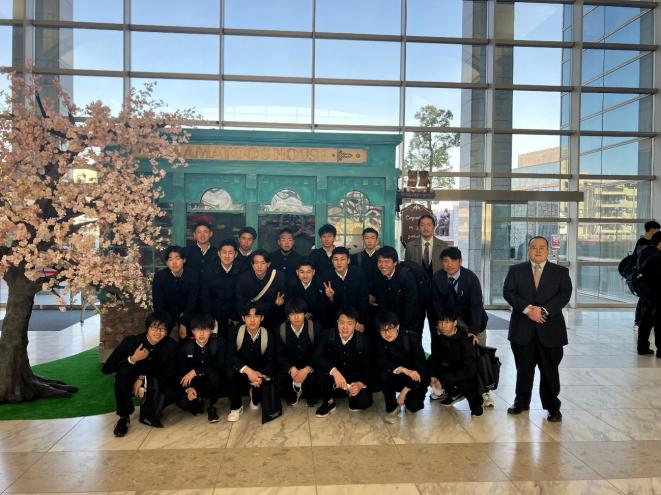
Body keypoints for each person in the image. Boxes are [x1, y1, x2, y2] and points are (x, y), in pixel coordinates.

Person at [503, 236, 572, 423]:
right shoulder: (516, 271)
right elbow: (508, 292)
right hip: (522, 330)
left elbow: (564, 295)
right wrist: (528, 310)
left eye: (542, 247)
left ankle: (552, 407)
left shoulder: (560, 272)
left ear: (548, 251)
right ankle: (521, 402)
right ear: (528, 250)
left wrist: (543, 311)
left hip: (550, 330)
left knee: (549, 371)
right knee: (523, 369)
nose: (538, 251)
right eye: (534, 247)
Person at [431, 246, 493, 406]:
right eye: (446, 261)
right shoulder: (438, 277)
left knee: (477, 356)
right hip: (451, 324)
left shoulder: (470, 278)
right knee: (451, 356)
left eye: (453, 260)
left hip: (474, 322)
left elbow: (476, 307)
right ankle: (451, 389)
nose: (449, 264)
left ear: (460, 261)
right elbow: (436, 304)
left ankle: (485, 391)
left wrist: (473, 331)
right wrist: (442, 325)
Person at [102, 312, 178, 436]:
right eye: (154, 328)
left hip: (155, 382)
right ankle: (124, 417)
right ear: (147, 327)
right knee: (123, 372)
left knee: (172, 391)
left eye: (163, 329)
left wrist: (144, 379)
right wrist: (133, 358)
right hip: (131, 382)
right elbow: (107, 368)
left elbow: (171, 373)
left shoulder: (171, 345)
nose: (158, 332)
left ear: (167, 331)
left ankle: (151, 405)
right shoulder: (132, 341)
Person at [313, 307, 373, 417]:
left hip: (352, 381)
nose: (345, 327)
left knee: (365, 402)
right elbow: (317, 357)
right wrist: (334, 372)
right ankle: (329, 401)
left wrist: (359, 384)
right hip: (332, 380)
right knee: (319, 370)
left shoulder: (364, 340)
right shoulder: (327, 334)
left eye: (350, 323)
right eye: (342, 323)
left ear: (356, 325)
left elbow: (369, 367)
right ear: (337, 322)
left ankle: (350, 395)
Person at [225, 302, 278, 422]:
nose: (252, 320)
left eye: (256, 316)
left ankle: (255, 396)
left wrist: (261, 375)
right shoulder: (234, 331)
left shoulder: (268, 335)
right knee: (229, 372)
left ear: (262, 318)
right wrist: (248, 371)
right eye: (249, 316)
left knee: (257, 403)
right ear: (243, 318)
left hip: (259, 372)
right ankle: (236, 407)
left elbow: (271, 360)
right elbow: (230, 355)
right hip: (241, 370)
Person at [375, 310, 429, 423]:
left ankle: (409, 397)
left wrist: (404, 392)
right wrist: (403, 370)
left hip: (416, 379)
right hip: (399, 375)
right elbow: (381, 361)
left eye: (390, 329)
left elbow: (422, 370)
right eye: (383, 330)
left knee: (412, 407)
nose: (387, 333)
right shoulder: (380, 341)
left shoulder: (412, 339)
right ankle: (392, 407)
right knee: (383, 375)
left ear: (398, 327)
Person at [428, 309, 483, 416]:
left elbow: (469, 370)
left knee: (465, 384)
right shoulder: (438, 338)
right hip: (450, 368)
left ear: (455, 323)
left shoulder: (466, 339)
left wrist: (443, 381)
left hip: (466, 373)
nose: (443, 326)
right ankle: (449, 393)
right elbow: (435, 358)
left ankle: (476, 403)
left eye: (447, 322)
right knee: (425, 368)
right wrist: (433, 376)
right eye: (440, 322)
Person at [404, 213, 449, 334]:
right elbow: (407, 270)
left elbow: (447, 271)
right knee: (416, 328)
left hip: (437, 294)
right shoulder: (410, 246)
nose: (426, 228)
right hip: (417, 294)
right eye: (422, 225)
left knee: (437, 329)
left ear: (434, 226)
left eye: (429, 225)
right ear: (418, 227)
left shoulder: (444, 246)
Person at [177, 314, 225, 423]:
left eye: (205, 330)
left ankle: (211, 406)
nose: (202, 334)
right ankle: (198, 399)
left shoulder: (219, 344)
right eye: (198, 330)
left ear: (211, 331)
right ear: (193, 331)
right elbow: (181, 372)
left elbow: (219, 366)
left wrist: (196, 371)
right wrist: (189, 389)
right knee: (184, 404)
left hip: (213, 382)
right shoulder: (185, 348)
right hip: (195, 384)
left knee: (214, 376)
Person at [278, 299, 323, 407]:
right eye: (292, 314)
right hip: (291, 365)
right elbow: (280, 355)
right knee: (282, 376)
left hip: (310, 365)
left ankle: (310, 394)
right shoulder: (280, 330)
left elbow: (319, 353)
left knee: (317, 376)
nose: (296, 317)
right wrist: (291, 368)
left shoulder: (316, 328)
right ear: (288, 316)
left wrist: (308, 368)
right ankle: (294, 391)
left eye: (299, 313)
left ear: (305, 314)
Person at [152, 246, 199, 341]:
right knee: (160, 336)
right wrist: (165, 323)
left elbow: (192, 302)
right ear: (166, 263)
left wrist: (183, 322)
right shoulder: (159, 277)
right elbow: (158, 304)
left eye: (177, 258)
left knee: (186, 337)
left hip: (188, 313)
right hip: (167, 314)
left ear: (184, 260)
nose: (174, 262)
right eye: (170, 259)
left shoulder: (193, 276)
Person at [201, 238, 245, 338]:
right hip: (213, 314)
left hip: (234, 315)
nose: (227, 255)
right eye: (224, 252)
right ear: (219, 253)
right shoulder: (209, 270)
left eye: (230, 253)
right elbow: (205, 296)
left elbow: (241, 296)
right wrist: (208, 316)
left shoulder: (242, 270)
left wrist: (234, 316)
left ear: (236, 254)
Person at [370, 246, 419, 332]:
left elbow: (410, 305)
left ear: (395, 262)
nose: (383, 265)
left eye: (387, 261)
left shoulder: (406, 277)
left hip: (406, 324)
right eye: (380, 261)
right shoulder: (379, 276)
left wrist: (400, 328)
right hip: (388, 323)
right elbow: (382, 302)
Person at [235, 249, 287, 330]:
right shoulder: (244, 278)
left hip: (272, 317)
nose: (259, 266)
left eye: (263, 263)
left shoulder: (278, 276)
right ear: (252, 264)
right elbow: (240, 301)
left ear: (268, 264)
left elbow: (284, 296)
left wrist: (282, 302)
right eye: (256, 263)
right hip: (252, 318)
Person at [322, 246, 369, 332]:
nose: (339, 263)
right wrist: (331, 298)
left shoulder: (359, 274)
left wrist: (361, 321)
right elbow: (325, 306)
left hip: (356, 317)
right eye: (335, 259)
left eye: (342, 259)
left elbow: (363, 299)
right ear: (332, 261)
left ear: (348, 260)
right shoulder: (326, 275)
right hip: (335, 319)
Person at [635, 231, 661, 356]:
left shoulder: (647, 253)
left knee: (646, 321)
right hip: (657, 293)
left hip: (648, 293)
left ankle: (642, 347)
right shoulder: (657, 257)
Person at [633, 221, 660, 329]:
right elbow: (644, 260)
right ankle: (638, 322)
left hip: (649, 277)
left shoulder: (649, 243)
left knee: (646, 299)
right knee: (644, 299)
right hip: (643, 277)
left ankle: (643, 322)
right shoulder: (643, 243)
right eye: (657, 230)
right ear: (652, 230)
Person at [286, 258, 328, 325]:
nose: (305, 276)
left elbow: (323, 308)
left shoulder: (321, 284)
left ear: (313, 272)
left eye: (308, 272)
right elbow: (290, 305)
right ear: (297, 272)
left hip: (317, 319)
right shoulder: (291, 284)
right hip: (297, 318)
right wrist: (302, 315)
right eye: (302, 272)